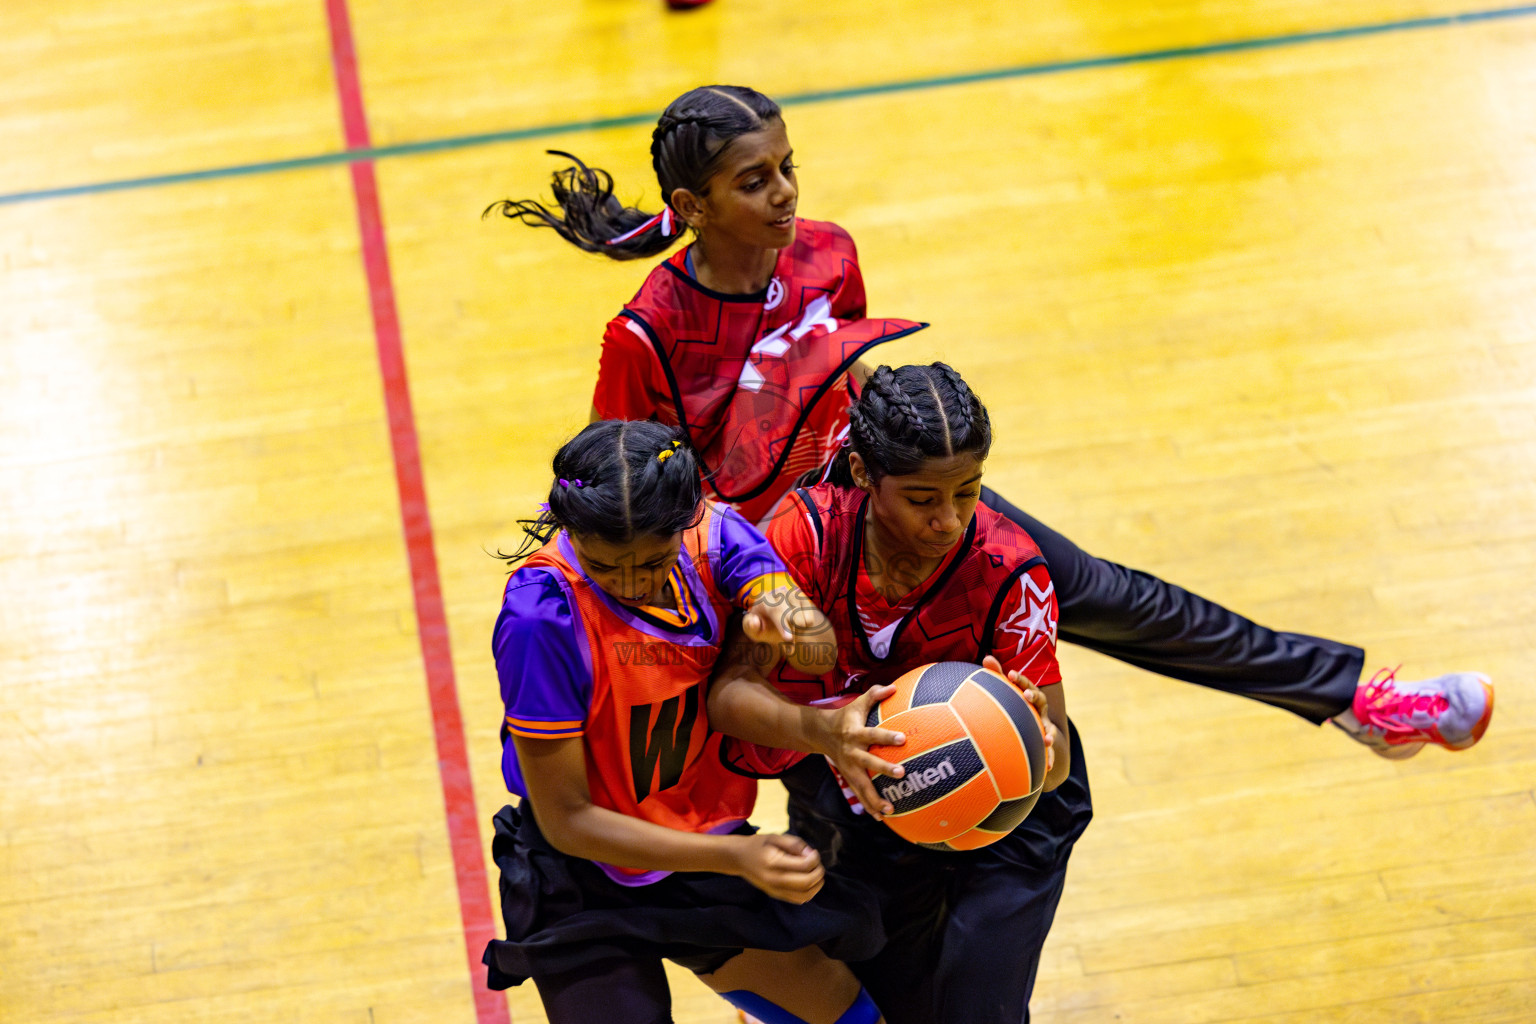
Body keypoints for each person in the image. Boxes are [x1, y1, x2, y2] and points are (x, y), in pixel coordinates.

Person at [485, 83, 1494, 758]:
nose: (786, 194)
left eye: (789, 166)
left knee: (1103, 592)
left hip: (873, 493)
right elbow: (622, 485)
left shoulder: (828, 253)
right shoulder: (647, 331)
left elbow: (845, 381)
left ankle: (1353, 701)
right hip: (771, 562)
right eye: (755, 182)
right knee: (788, 758)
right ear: (691, 205)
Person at [481, 418, 897, 1024]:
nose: (630, 584)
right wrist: (739, 861)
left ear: (687, 520)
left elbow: (816, 646)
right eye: (604, 565)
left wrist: (792, 626)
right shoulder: (539, 617)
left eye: (651, 562)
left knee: (846, 1012)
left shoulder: (719, 534)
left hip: (695, 844)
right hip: (583, 871)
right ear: (572, 533)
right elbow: (568, 820)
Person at [709, 363, 1087, 1023]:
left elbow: (1053, 765)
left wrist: (1039, 745)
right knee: (889, 1007)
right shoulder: (803, 538)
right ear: (861, 473)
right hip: (863, 808)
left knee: (979, 1013)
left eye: (968, 492)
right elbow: (729, 695)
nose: (948, 520)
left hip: (1012, 815)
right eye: (922, 499)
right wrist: (821, 732)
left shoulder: (1009, 568)